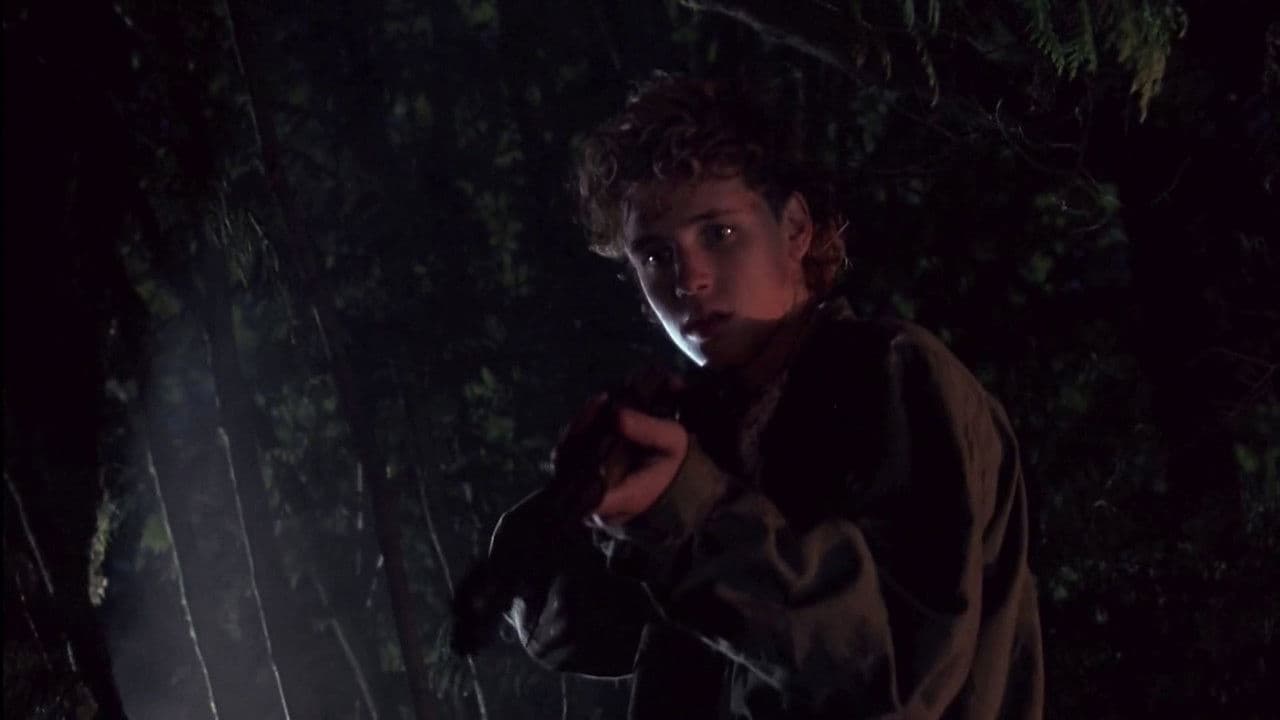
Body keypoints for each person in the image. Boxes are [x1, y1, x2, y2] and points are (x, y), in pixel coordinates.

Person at [471, 71, 1044, 719]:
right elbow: (578, 632)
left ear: (795, 228)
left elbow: (891, 679)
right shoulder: (705, 429)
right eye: (655, 255)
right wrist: (588, 503)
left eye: (718, 233)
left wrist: (687, 512)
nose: (689, 279)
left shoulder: (889, 377)